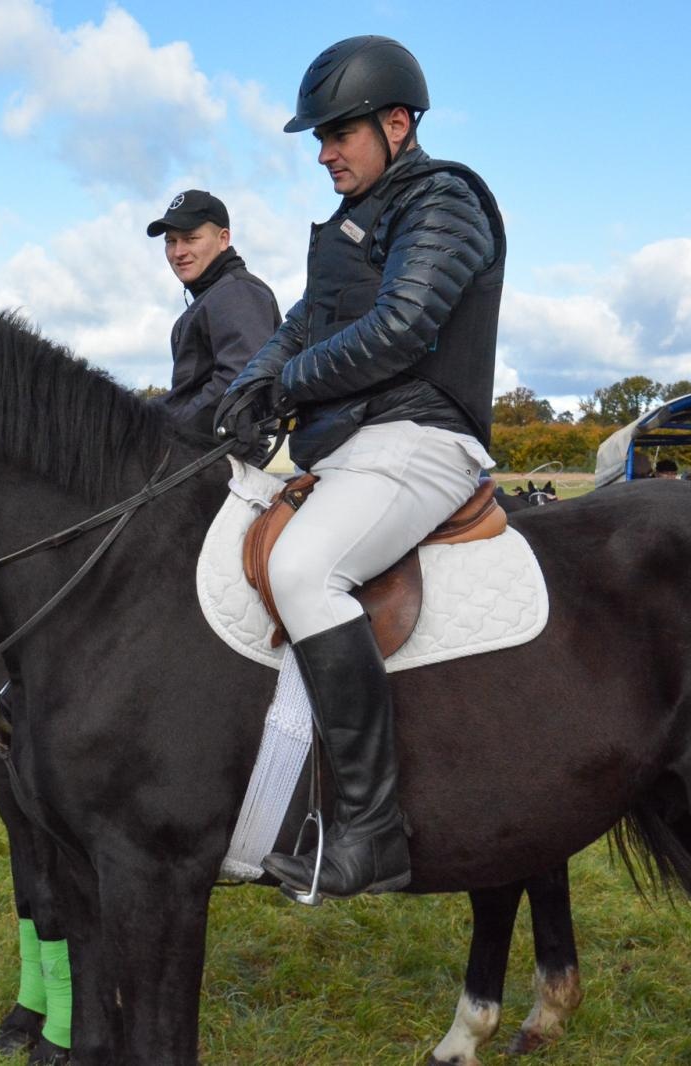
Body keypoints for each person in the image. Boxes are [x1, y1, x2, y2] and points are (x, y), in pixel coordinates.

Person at [214, 35, 504, 901]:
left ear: (398, 123)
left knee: (304, 570)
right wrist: (258, 378)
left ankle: (375, 831)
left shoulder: (443, 202)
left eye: (339, 132)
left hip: (425, 439)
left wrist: (287, 386)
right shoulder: (355, 222)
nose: (324, 150)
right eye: (319, 136)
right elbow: (304, 322)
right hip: (356, 441)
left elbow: (402, 327)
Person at [146, 190, 281, 445]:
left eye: (191, 238)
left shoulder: (237, 292)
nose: (178, 252)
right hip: (200, 453)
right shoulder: (212, 296)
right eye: (170, 241)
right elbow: (187, 395)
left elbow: (240, 382)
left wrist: (162, 431)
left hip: (227, 460)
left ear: (223, 239)